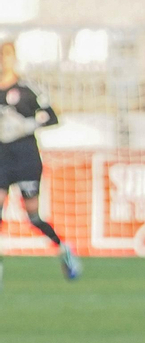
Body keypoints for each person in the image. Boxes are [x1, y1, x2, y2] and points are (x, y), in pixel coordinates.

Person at [0, 41, 80, 286]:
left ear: (13, 59)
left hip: (25, 159)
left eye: (6, 56)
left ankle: (64, 248)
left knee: (33, 217)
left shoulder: (26, 89)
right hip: (1, 158)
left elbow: (53, 116)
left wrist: (27, 125)